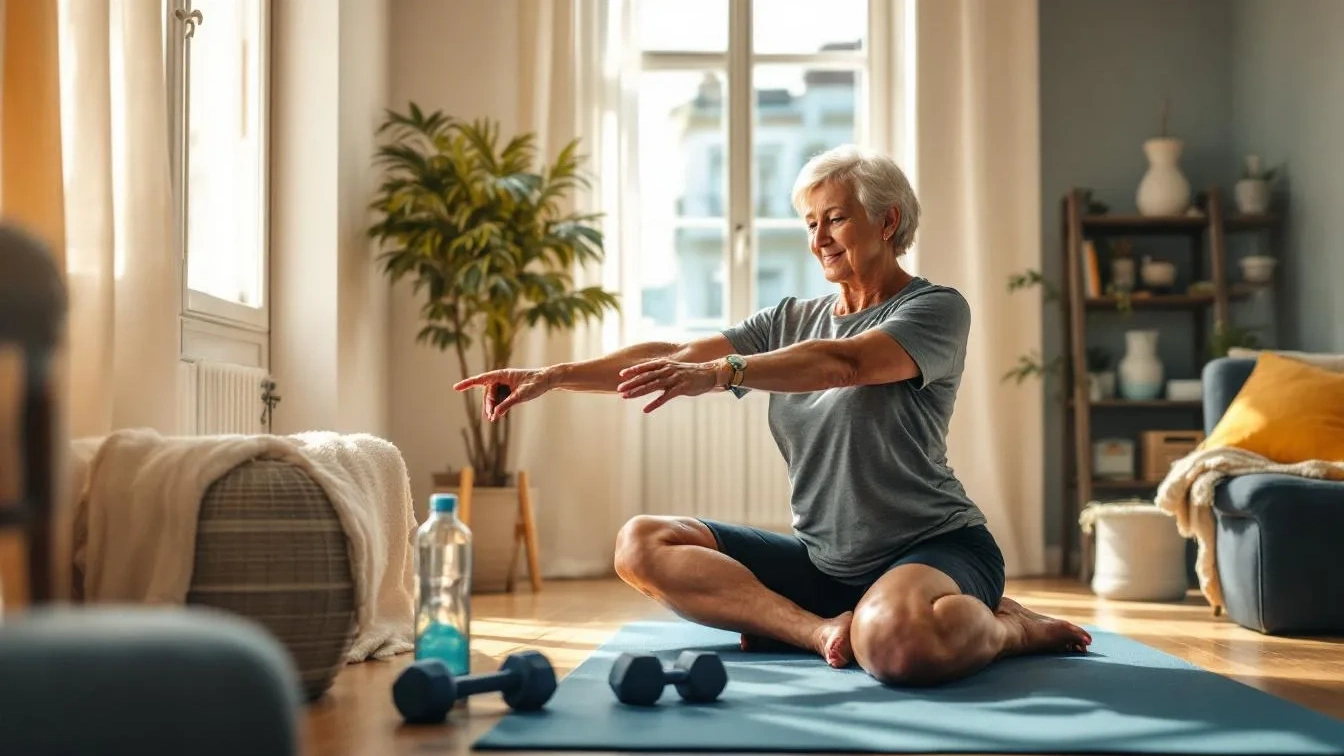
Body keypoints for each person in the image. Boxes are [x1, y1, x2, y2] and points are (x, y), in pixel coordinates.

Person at [454, 144, 1091, 687]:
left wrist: (724, 372)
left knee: (898, 648)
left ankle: (1011, 629)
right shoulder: (789, 319)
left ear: (888, 220)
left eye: (835, 220)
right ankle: (816, 632)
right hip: (824, 564)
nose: (817, 240)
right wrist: (553, 376)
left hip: (932, 545)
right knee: (640, 542)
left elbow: (846, 364)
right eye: (810, 223)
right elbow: (677, 353)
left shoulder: (935, 309)